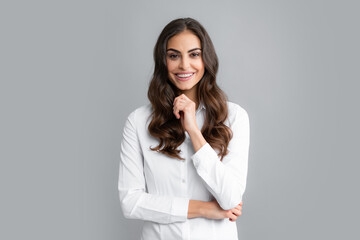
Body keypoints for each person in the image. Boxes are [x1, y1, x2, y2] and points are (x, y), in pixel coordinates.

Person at [118, 17, 250, 240]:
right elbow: (130, 202)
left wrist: (194, 131)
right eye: (174, 56)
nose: (184, 65)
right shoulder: (138, 121)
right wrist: (203, 209)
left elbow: (231, 199)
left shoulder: (234, 117)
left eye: (194, 54)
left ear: (206, 59)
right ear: (163, 61)